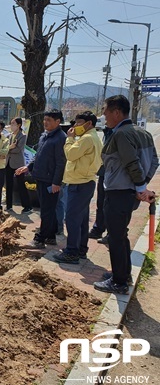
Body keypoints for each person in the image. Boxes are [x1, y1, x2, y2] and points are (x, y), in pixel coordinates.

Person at [93, 95, 158, 294]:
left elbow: (131, 163)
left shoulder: (121, 134)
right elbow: (154, 161)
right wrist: (141, 185)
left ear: (116, 112)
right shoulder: (142, 133)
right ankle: (122, 273)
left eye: (106, 111)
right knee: (121, 235)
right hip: (127, 192)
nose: (104, 115)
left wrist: (139, 187)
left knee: (116, 237)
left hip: (119, 193)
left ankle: (119, 282)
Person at [52, 111, 103, 264]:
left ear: (89, 124)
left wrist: (69, 139)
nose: (75, 126)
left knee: (72, 219)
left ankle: (72, 252)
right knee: (81, 219)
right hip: (84, 181)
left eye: (79, 122)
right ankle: (81, 248)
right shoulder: (93, 137)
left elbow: (71, 154)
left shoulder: (87, 138)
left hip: (79, 184)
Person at [16, 110, 67, 249]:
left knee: (47, 211)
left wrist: (56, 182)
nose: (45, 122)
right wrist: (28, 167)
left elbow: (61, 162)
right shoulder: (45, 136)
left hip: (50, 181)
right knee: (47, 209)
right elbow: (37, 155)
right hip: (41, 177)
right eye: (45, 119)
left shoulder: (60, 138)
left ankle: (40, 240)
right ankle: (50, 236)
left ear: (58, 122)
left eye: (49, 120)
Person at [88, 126, 113, 242]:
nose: (104, 117)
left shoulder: (120, 132)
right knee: (101, 203)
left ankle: (111, 233)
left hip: (114, 176)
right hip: (104, 173)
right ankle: (98, 229)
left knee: (111, 206)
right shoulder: (107, 132)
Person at [5, 117, 32, 213]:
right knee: (9, 184)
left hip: (18, 164)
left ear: (19, 125)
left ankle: (27, 205)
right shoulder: (9, 135)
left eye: (13, 124)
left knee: (21, 184)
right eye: (11, 124)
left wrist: (8, 149)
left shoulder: (22, 136)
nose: (11, 126)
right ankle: (8, 205)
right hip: (8, 162)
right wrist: (9, 148)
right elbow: (5, 148)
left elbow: (18, 149)